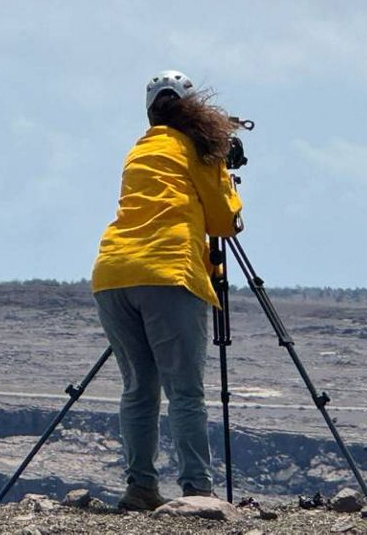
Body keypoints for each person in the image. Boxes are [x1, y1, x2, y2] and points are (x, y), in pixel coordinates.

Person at [91, 70, 243, 511]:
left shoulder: (139, 150)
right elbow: (223, 222)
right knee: (185, 392)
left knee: (138, 389)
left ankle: (140, 488)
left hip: (113, 275)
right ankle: (197, 490)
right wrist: (224, 173)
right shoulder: (197, 149)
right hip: (168, 273)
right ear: (195, 109)